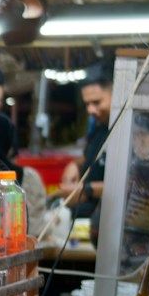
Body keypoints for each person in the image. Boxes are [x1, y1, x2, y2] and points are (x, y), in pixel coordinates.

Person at [61, 78, 111, 216]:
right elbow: (89, 156)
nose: (90, 110)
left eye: (96, 102)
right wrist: (74, 165)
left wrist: (86, 189)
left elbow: (128, 185)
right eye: (87, 104)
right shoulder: (98, 129)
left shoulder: (125, 135)